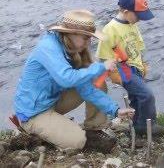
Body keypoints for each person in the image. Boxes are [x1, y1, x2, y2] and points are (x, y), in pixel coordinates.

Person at [14, 10, 135, 153]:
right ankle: (31, 130)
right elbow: (66, 79)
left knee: (94, 79)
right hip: (34, 113)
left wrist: (115, 110)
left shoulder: (73, 49)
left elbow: (86, 88)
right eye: (85, 38)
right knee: (77, 141)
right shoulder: (48, 47)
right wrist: (102, 66)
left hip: (52, 101)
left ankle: (94, 130)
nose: (88, 43)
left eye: (90, 38)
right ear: (70, 33)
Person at [96, 0, 163, 135]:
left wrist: (143, 64)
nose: (140, 19)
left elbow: (138, 47)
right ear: (126, 11)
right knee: (147, 95)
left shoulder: (132, 24)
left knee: (137, 96)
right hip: (123, 68)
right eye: (138, 15)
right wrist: (113, 74)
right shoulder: (110, 29)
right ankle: (146, 127)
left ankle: (137, 125)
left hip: (136, 66)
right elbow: (103, 56)